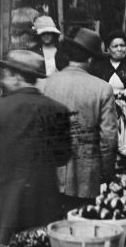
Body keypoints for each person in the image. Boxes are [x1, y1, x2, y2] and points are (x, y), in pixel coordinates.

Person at [0, 50, 71, 245]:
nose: (3, 80)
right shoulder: (58, 109)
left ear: (17, 77)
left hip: (3, 200)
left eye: (6, 75)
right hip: (42, 199)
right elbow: (62, 156)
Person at [43, 28, 118, 210]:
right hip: (87, 177)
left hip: (51, 174)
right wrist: (108, 174)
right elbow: (108, 139)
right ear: (91, 59)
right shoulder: (103, 88)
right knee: (82, 226)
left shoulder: (48, 84)